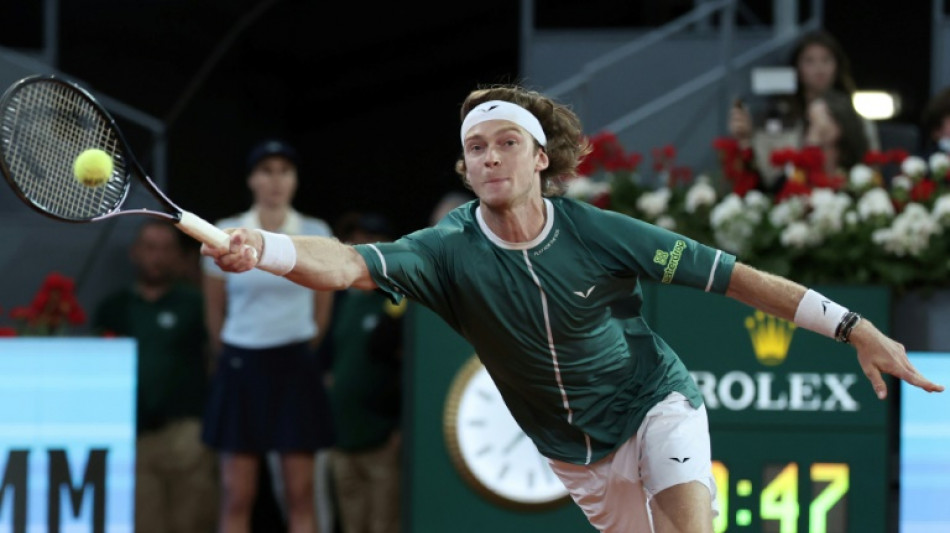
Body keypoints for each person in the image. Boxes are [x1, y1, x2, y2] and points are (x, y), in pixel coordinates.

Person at [202, 84, 944, 533]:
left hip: (654, 403)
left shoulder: (600, 232)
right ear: (467, 168)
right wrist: (264, 247)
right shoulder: (444, 249)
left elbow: (737, 280)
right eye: (476, 149)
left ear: (540, 158)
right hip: (575, 454)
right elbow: (346, 264)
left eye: (506, 143)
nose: (490, 157)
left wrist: (854, 327)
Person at [201, 138, 335, 533]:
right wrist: (237, 350)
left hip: (295, 365)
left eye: (284, 171)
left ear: (294, 180)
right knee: (237, 494)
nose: (276, 181)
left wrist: (297, 345)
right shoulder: (224, 232)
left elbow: (322, 310)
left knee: (300, 494)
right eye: (266, 171)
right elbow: (214, 311)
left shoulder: (316, 231)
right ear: (251, 180)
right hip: (241, 365)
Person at [92, 219, 218, 533]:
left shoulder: (196, 304)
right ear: (135, 252)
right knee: (143, 523)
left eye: (165, 249)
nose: (157, 257)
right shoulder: (114, 308)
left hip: (188, 433)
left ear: (178, 256)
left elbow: (216, 358)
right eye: (150, 248)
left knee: (193, 522)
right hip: (134, 436)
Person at [322, 211, 404, 533]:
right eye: (355, 241)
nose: (360, 248)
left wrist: (400, 428)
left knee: (384, 524)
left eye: (370, 240)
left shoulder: (400, 299)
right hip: (343, 439)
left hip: (382, 440)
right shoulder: (342, 300)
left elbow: (410, 370)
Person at [729, 30, 878, 189]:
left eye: (826, 60)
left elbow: (870, 164)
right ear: (797, 68)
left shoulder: (854, 115)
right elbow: (768, 175)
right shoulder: (780, 115)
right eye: (809, 61)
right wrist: (746, 140)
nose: (819, 68)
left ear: (837, 65)